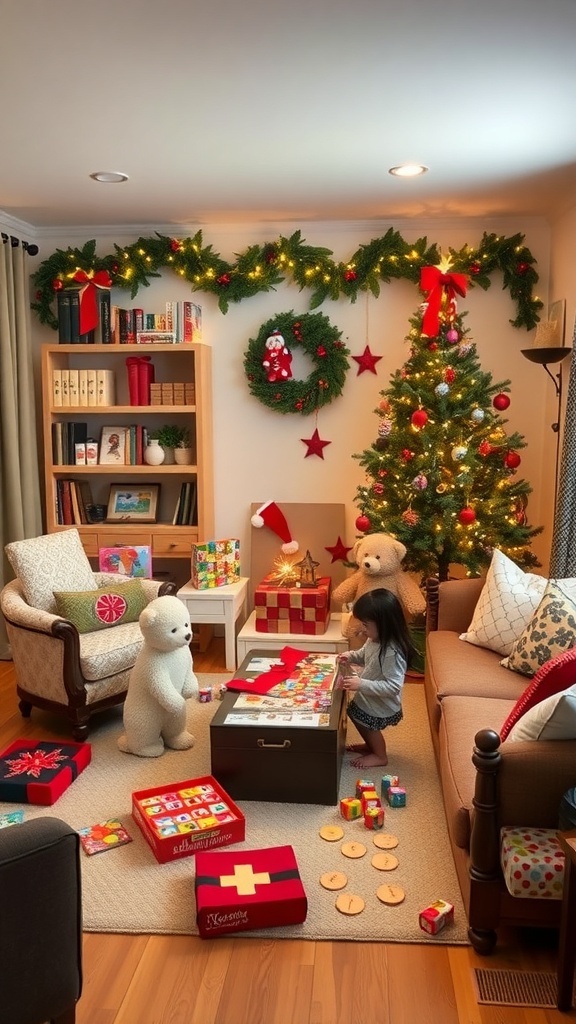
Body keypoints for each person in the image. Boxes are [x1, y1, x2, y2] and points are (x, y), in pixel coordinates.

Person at [337, 588, 415, 769]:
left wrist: (361, 683)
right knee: (355, 715)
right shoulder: (374, 639)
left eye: (366, 625)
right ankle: (370, 746)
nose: (363, 630)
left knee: (369, 725)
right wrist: (351, 656)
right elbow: (364, 655)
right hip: (368, 697)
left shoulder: (392, 652)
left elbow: (393, 686)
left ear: (384, 623)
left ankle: (380, 755)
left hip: (381, 704)